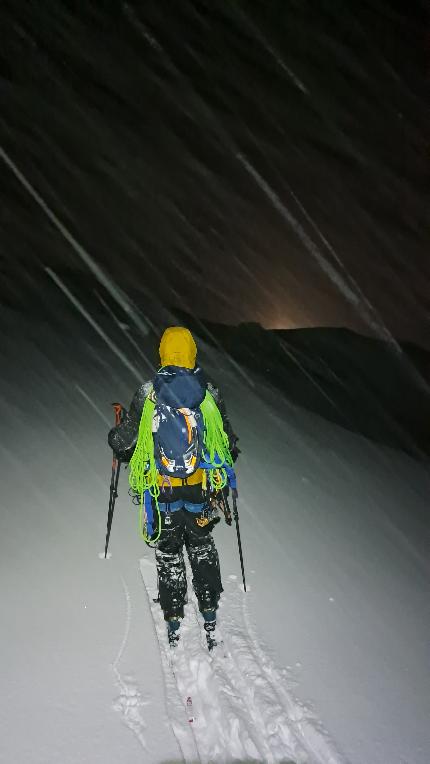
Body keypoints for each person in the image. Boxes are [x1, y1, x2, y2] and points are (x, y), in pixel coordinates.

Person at [108, 326, 238, 648]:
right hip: (200, 488)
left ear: (163, 352)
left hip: (162, 490)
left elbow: (125, 445)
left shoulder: (148, 393)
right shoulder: (208, 393)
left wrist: (116, 436)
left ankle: (173, 617)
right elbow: (227, 446)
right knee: (201, 545)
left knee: (169, 551)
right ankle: (209, 611)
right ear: (192, 352)